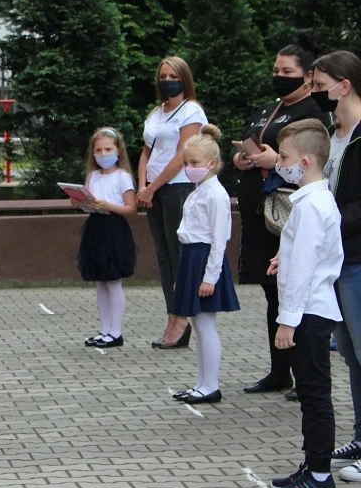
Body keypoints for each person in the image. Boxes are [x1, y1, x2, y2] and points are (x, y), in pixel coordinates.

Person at [236, 37, 329, 400]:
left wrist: (273, 160)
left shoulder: (313, 112)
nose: (278, 76)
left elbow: (308, 159)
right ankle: (280, 371)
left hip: (288, 213)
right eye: (275, 70)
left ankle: (302, 369)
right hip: (260, 212)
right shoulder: (268, 109)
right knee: (271, 290)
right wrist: (243, 159)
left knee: (293, 290)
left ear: (307, 76)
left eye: (286, 72)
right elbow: (251, 140)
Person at [267, 119, 343, 488]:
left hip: (309, 311)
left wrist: (287, 320)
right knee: (313, 392)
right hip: (310, 310)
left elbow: (305, 268)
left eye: (284, 157)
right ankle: (313, 465)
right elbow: (302, 253)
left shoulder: (313, 205)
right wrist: (284, 253)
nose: (280, 162)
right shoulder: (311, 201)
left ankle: (320, 475)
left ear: (307, 161)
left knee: (314, 393)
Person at [308, 51, 361, 480]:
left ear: (344, 85)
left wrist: (333, 221)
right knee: (352, 356)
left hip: (358, 258)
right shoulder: (333, 133)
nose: (316, 91)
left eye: (321, 83)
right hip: (339, 258)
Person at [138, 57, 209, 349]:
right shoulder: (157, 111)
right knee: (164, 254)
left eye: (173, 75)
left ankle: (182, 320)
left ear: (184, 79)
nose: (167, 80)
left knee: (178, 255)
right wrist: (142, 186)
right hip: (153, 191)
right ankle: (171, 316)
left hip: (176, 187)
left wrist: (152, 187)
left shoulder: (191, 111)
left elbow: (182, 154)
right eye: (163, 75)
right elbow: (146, 151)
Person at [169, 126, 239, 405]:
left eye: (194, 163)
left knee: (206, 323)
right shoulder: (199, 191)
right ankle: (202, 383)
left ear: (211, 164)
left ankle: (210, 386)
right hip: (192, 257)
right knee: (198, 324)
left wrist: (210, 277)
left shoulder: (215, 195)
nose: (189, 168)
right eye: (186, 163)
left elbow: (219, 241)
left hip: (205, 259)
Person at [74, 127, 138, 349]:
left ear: (118, 150)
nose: (103, 154)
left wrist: (109, 205)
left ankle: (116, 331)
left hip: (114, 228)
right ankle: (104, 330)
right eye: (98, 150)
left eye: (108, 149)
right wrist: (79, 202)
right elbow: (89, 202)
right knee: (100, 280)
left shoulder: (123, 177)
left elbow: (131, 209)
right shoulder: (92, 176)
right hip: (95, 227)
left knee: (113, 280)